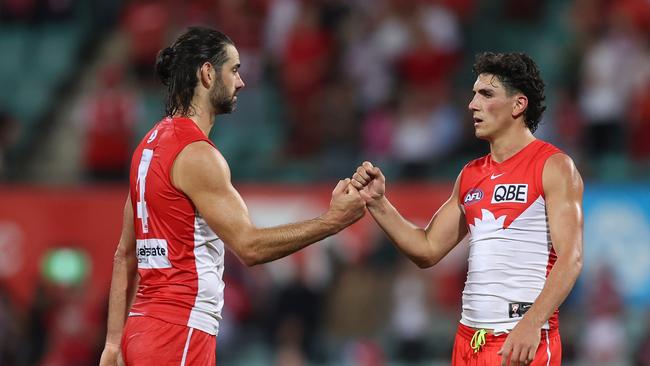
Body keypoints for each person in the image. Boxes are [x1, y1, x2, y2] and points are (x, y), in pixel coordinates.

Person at [99, 27, 365, 366]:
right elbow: (249, 246)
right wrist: (333, 221)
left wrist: (112, 344)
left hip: (143, 329)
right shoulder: (197, 155)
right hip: (180, 332)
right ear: (208, 73)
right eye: (234, 70)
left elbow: (125, 254)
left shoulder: (147, 146)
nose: (240, 82)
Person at [351, 52, 583, 366]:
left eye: (486, 94)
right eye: (473, 94)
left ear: (518, 104)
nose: (472, 104)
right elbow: (427, 249)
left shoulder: (553, 166)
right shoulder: (470, 175)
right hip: (468, 342)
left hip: (522, 339)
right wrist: (378, 203)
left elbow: (571, 257)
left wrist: (531, 323)